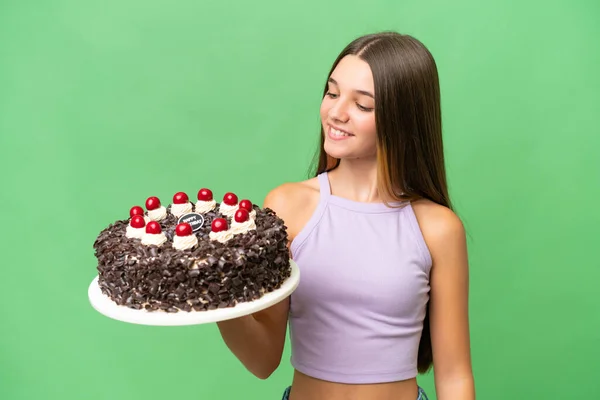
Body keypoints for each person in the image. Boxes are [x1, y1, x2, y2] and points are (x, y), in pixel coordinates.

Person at [217, 31, 475, 400]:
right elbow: (263, 361)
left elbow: (455, 377)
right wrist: (215, 294)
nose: (336, 113)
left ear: (402, 118)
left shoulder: (438, 228)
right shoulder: (288, 207)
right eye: (332, 92)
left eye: (363, 105)